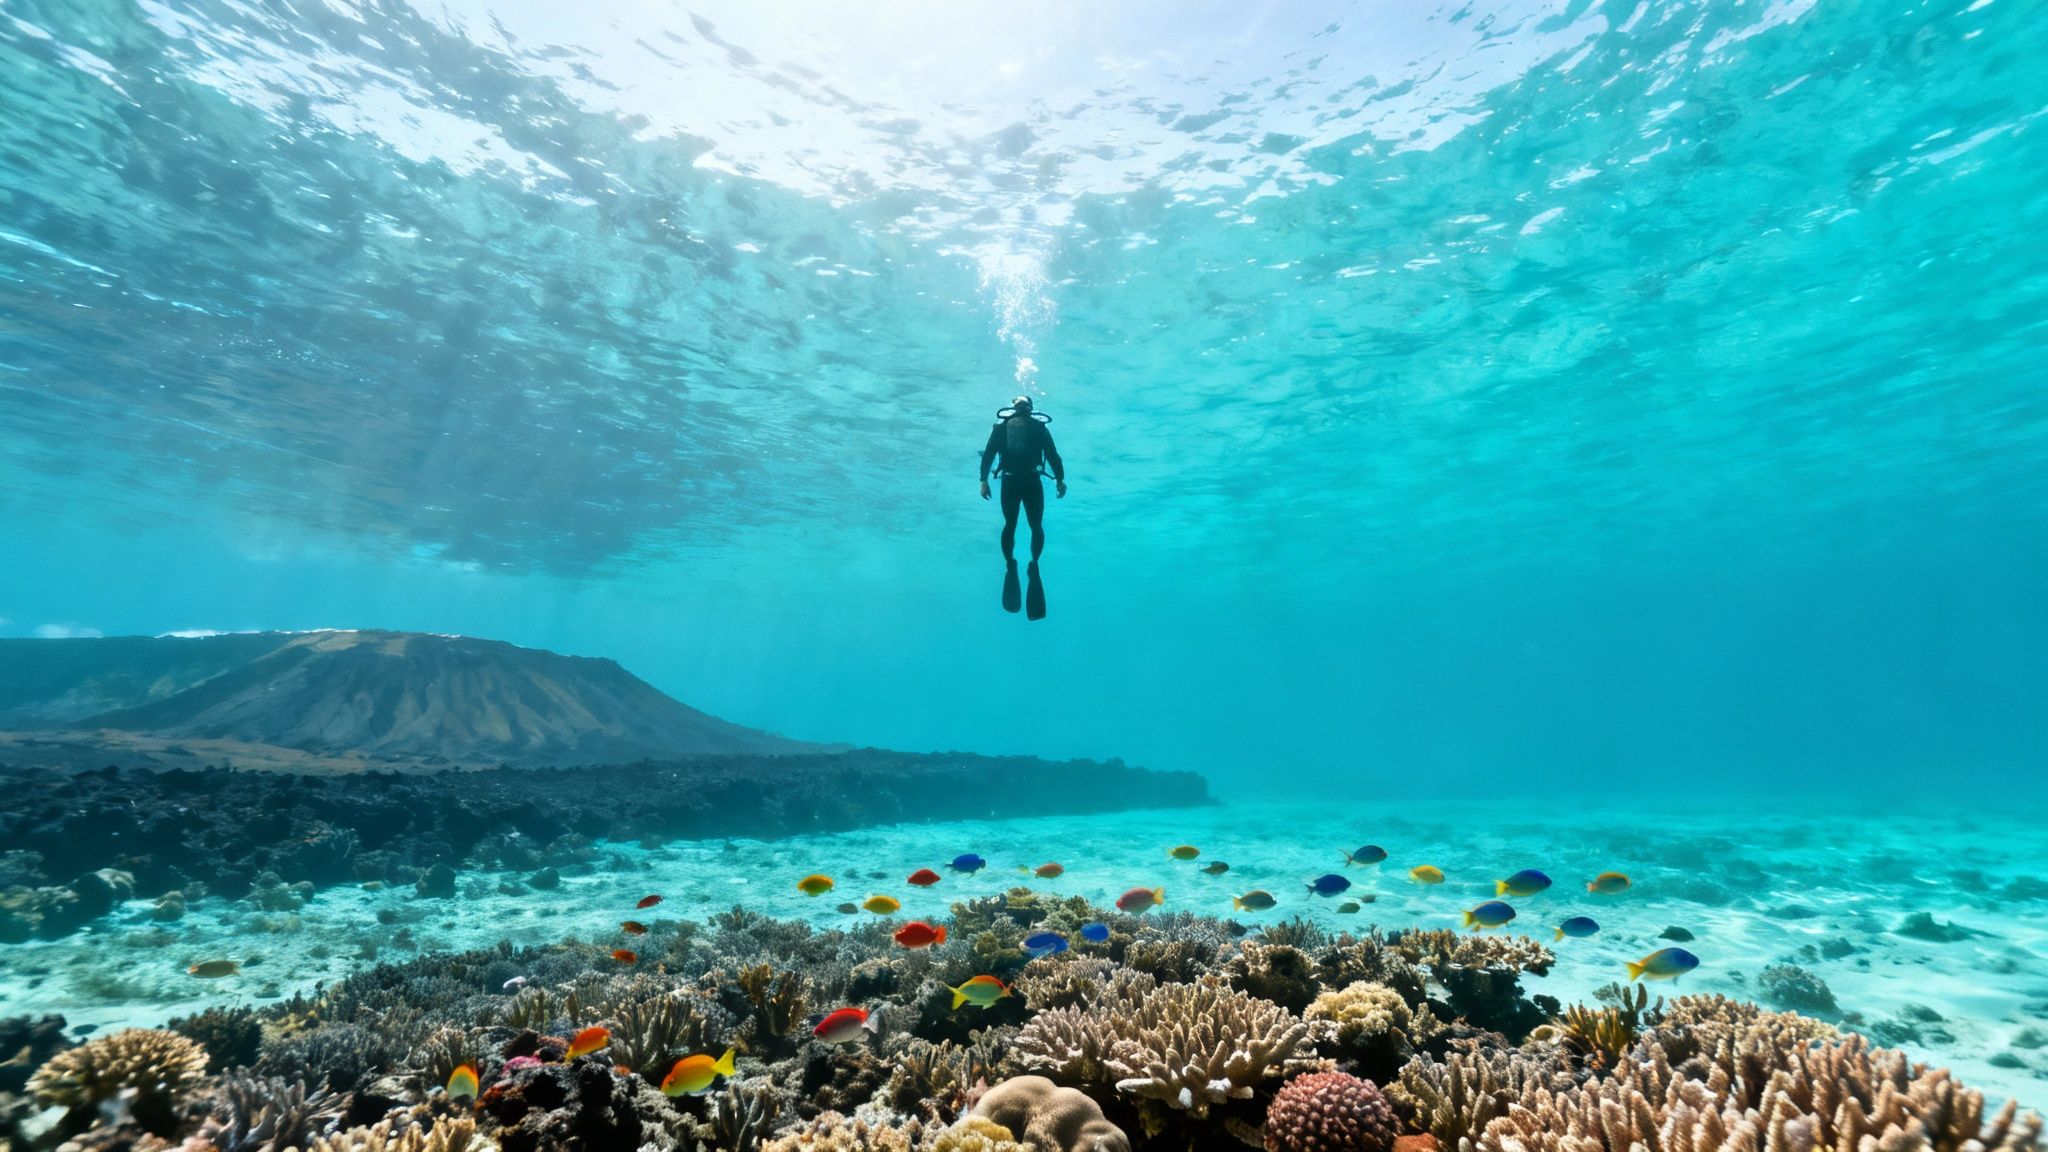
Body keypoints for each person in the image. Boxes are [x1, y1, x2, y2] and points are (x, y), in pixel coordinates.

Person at [978, 396, 1065, 618]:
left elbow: (988, 455)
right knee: (1035, 526)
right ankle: (1033, 564)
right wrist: (1060, 480)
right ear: (1031, 409)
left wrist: (984, 481)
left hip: (1010, 482)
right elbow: (1053, 456)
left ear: (1013, 408)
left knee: (1011, 525)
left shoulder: (1001, 428)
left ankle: (1011, 564)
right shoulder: (1039, 428)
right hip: (1032, 482)